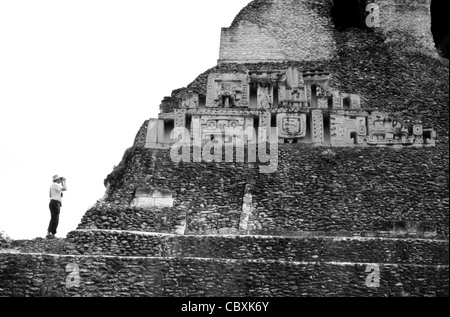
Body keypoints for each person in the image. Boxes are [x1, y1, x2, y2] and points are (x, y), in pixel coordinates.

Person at [47, 175, 67, 239]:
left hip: (54, 203)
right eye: (59, 179)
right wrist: (64, 181)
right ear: (56, 180)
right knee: (55, 219)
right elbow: (65, 188)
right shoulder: (55, 184)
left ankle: (51, 233)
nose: (60, 180)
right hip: (55, 203)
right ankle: (50, 233)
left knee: (54, 218)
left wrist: (62, 182)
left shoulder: (54, 185)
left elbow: (61, 189)